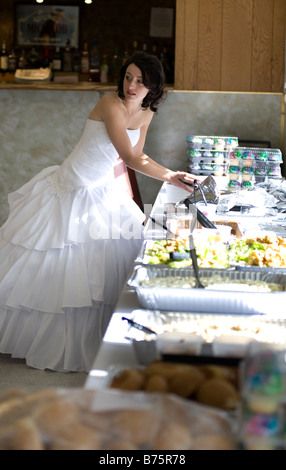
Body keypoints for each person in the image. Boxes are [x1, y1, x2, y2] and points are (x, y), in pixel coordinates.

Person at [0, 52, 199, 372]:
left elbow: (138, 154)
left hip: (102, 190)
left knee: (105, 263)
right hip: (70, 189)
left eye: (140, 80)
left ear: (153, 86)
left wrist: (171, 175)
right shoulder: (110, 103)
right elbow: (128, 157)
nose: (132, 85)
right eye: (128, 77)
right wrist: (169, 174)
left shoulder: (146, 113)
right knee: (53, 260)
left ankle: (108, 339)